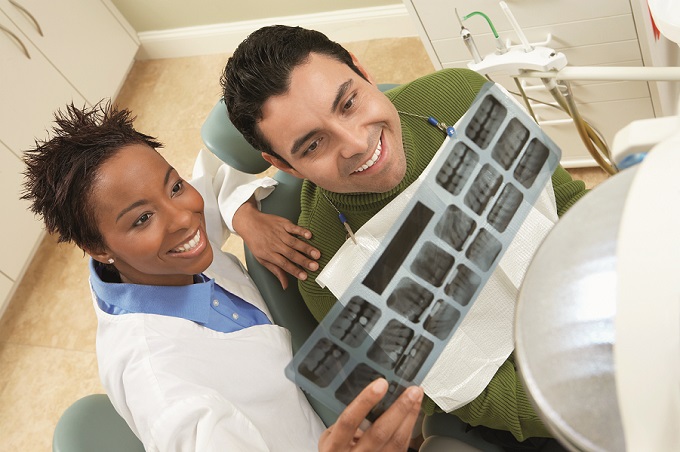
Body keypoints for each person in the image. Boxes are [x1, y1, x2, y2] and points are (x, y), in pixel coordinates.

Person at [220, 25, 588, 445]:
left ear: (362, 71)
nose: (356, 143)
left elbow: (569, 204)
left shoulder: (462, 96)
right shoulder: (323, 264)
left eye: (348, 103)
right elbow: (472, 389)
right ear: (284, 165)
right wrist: (596, 402)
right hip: (540, 402)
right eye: (312, 146)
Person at [21, 102, 424, 451]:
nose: (184, 218)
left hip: (324, 407)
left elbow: (217, 168)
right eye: (143, 218)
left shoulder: (158, 258)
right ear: (99, 249)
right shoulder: (170, 395)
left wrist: (243, 215)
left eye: (175, 186)